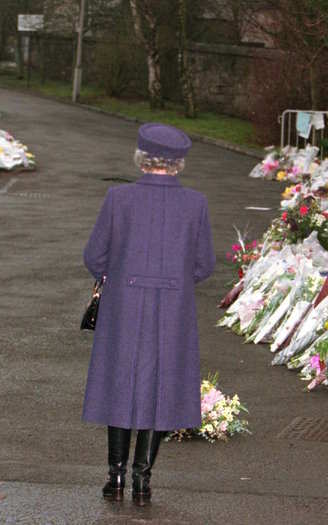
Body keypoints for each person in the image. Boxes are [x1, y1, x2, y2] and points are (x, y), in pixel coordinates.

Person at [82, 123, 215, 506]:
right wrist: (173, 278)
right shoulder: (196, 204)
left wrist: (119, 273)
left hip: (124, 304)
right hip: (173, 309)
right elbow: (204, 265)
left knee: (119, 384)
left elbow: (94, 256)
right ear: (178, 163)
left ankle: (116, 476)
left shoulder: (118, 198)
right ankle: (143, 478)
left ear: (142, 158)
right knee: (164, 387)